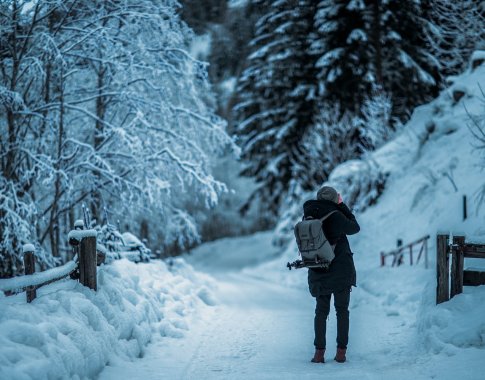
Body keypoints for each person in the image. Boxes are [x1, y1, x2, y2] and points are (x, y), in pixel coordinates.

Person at [303, 186, 360, 364]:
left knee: (321, 311)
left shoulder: (308, 216)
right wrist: (342, 206)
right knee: (342, 311)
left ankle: (319, 353)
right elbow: (354, 227)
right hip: (340, 270)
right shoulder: (336, 215)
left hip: (318, 268)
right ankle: (341, 352)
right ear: (335, 199)